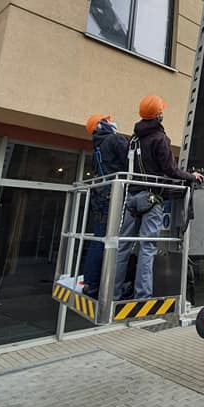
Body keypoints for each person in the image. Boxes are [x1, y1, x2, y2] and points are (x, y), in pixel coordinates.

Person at [113, 94, 203, 300]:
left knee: (123, 247)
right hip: (151, 198)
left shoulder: (134, 139)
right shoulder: (159, 139)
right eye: (161, 111)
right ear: (158, 115)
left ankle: (113, 293)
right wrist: (192, 176)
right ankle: (142, 298)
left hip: (132, 198)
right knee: (147, 249)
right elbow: (170, 169)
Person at [81, 114, 129, 299]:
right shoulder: (115, 140)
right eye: (108, 120)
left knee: (100, 238)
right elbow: (130, 162)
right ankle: (112, 282)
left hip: (100, 196)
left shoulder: (97, 148)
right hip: (113, 196)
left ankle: (91, 282)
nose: (112, 121)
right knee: (117, 240)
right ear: (101, 125)